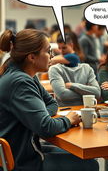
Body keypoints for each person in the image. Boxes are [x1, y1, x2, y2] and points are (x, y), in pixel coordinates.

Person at [0, 29, 98, 171]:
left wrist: (38, 116)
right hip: (21, 162)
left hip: (23, 151)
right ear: (32, 57)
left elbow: (52, 103)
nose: (52, 56)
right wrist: (68, 120)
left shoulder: (25, 74)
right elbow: (46, 127)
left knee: (82, 157)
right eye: (48, 51)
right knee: (90, 165)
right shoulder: (20, 82)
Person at [49, 33, 100, 106]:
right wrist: (87, 92)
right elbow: (62, 95)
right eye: (59, 48)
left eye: (64, 48)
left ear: (71, 45)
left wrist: (72, 85)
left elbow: (97, 92)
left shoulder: (75, 58)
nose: (61, 51)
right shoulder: (56, 68)